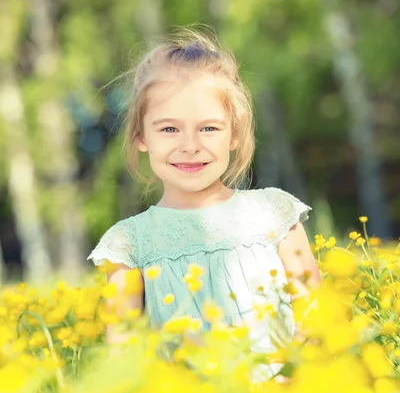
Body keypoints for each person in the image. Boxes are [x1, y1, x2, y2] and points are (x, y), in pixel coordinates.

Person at [87, 28, 321, 361]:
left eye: (208, 128)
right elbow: (124, 352)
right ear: (141, 137)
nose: (190, 146)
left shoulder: (275, 214)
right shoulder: (128, 243)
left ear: (234, 134)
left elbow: (317, 318)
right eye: (169, 129)